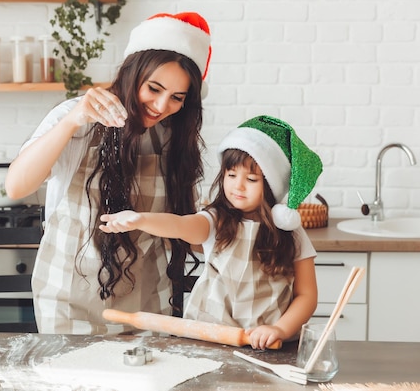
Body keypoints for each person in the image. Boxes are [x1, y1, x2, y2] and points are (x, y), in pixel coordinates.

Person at [5, 12, 213, 334]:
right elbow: (16, 186)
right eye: (153, 88)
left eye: (176, 98)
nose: (160, 106)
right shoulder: (78, 117)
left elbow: (188, 223)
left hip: (147, 295)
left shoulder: (173, 135)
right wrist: (73, 120)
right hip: (69, 294)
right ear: (132, 74)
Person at [100, 115, 323, 349]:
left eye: (251, 179)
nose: (238, 185)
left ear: (271, 185)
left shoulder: (290, 231)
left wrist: (279, 329)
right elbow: (182, 225)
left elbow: (306, 296)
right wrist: (141, 219)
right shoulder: (216, 220)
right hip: (211, 337)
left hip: (268, 343)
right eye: (231, 175)